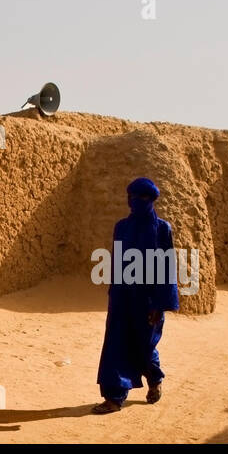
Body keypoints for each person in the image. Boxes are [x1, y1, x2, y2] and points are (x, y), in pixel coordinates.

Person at [92, 177, 180, 414]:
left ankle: (155, 379)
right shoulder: (122, 227)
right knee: (116, 344)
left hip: (148, 299)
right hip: (122, 296)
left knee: (144, 345)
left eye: (141, 198)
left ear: (151, 200)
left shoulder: (162, 229)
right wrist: (115, 291)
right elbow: (117, 260)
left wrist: (159, 303)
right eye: (132, 197)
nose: (135, 202)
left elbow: (165, 266)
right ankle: (114, 397)